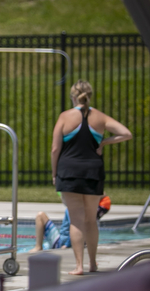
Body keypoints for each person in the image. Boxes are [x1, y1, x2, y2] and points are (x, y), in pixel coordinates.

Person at [51, 80, 131, 275]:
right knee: (90, 220)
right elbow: (126, 133)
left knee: (76, 221)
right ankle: (93, 264)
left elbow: (55, 149)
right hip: (93, 172)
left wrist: (54, 174)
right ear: (90, 95)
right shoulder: (100, 117)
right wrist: (104, 143)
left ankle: (79, 266)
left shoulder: (65, 117)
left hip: (69, 172)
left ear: (73, 96)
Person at [30, 195, 111, 253]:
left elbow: (73, 226)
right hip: (78, 242)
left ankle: (38, 247)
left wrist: (66, 245)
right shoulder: (85, 209)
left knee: (40, 215)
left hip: (60, 244)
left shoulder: (71, 209)